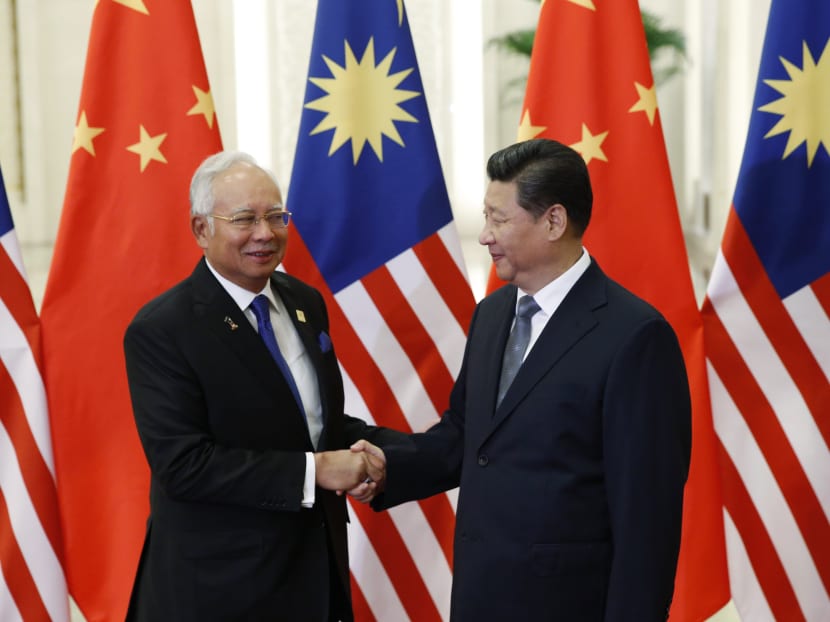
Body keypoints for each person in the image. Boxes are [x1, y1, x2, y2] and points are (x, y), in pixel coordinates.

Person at [355, 138, 692, 621]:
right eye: (485, 217)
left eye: (499, 219)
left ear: (553, 221)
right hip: (481, 599)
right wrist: (386, 465)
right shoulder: (492, 314)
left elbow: (647, 521)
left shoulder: (635, 337)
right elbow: (468, 437)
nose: (484, 236)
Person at [123, 150, 399, 622]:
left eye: (275, 216)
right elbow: (184, 465)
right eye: (244, 219)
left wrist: (414, 452)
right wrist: (315, 472)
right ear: (201, 229)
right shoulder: (163, 329)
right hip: (218, 593)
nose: (265, 233)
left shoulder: (304, 301)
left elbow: (314, 423)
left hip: (313, 578)